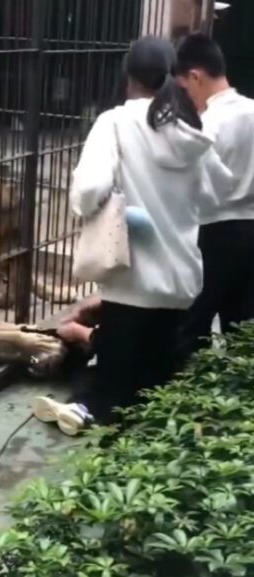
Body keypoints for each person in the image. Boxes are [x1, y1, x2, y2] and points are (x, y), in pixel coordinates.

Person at [32, 37, 232, 437]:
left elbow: (89, 189)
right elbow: (216, 195)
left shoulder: (115, 123)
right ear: (172, 79)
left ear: (128, 80)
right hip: (181, 278)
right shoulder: (192, 130)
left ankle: (90, 408)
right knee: (157, 376)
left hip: (132, 274)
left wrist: (103, 207)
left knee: (114, 377)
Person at [174, 33, 254, 355]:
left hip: (212, 232)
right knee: (243, 330)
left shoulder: (205, 125)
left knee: (193, 327)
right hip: (252, 229)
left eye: (184, 88)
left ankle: (184, 396)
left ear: (195, 76)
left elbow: (194, 186)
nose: (187, 96)